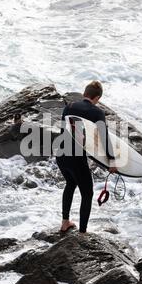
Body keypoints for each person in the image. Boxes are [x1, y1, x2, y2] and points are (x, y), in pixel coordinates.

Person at [56, 81, 116, 234]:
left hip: (61, 154)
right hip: (76, 158)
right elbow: (104, 138)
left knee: (70, 183)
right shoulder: (97, 112)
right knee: (87, 193)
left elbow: (65, 130)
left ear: (84, 94)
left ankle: (65, 222)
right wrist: (112, 160)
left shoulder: (69, 107)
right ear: (97, 98)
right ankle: (82, 232)